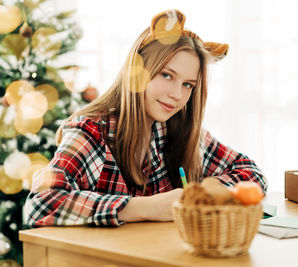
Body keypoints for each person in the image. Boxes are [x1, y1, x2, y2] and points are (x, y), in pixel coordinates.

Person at [24, 9, 267, 227]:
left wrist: (206, 191)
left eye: (187, 84)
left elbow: (251, 174)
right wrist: (147, 207)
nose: (177, 95)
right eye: (166, 75)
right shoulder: (92, 132)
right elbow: (42, 203)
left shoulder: (176, 127)